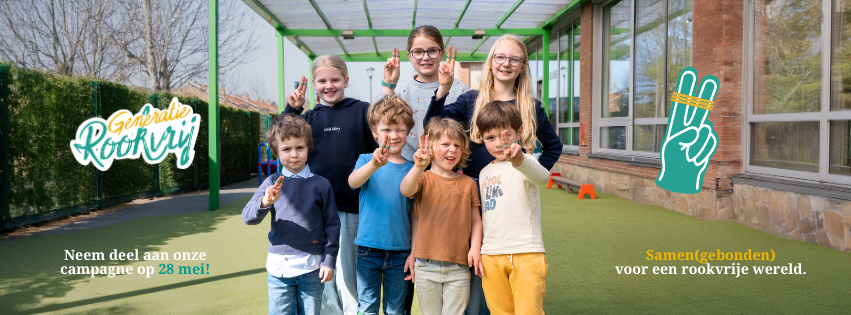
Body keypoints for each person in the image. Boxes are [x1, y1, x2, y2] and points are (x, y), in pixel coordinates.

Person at [422, 34, 563, 314]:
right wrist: (443, 89)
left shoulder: (531, 107)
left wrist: (526, 170)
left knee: (499, 258)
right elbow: (434, 126)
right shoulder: (471, 100)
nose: (506, 64)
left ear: (523, 66)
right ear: (490, 63)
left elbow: (553, 146)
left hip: (507, 197)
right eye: (500, 57)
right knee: (477, 262)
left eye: (514, 59)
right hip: (472, 192)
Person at [283, 54, 379, 315]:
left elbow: (379, 145)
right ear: (314, 84)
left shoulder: (362, 111)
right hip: (315, 212)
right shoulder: (308, 119)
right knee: (322, 275)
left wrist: (388, 85)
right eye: (322, 80)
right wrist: (292, 109)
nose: (329, 85)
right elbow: (280, 141)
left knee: (349, 274)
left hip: (352, 208)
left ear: (346, 80)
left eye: (335, 79)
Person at [242, 114, 341, 315]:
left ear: (308, 147)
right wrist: (265, 202)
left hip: (313, 269)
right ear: (276, 153)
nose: (294, 154)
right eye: (286, 149)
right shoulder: (271, 182)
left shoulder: (321, 184)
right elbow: (248, 217)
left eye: (299, 147)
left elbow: (332, 225)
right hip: (279, 270)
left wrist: (329, 260)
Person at [400, 117, 483, 315]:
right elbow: (405, 190)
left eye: (457, 145)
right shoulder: (422, 178)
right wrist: (419, 166)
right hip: (425, 266)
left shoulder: (469, 184)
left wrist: (475, 248)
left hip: (459, 267)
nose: (452, 149)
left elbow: (475, 221)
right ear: (429, 147)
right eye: (445, 144)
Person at [475, 100, 551, 314]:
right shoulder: (484, 173)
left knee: (529, 311)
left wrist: (519, 160)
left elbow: (542, 177)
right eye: (490, 138)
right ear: (482, 139)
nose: (499, 143)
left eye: (505, 135)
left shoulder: (526, 162)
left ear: (519, 132)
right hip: (492, 254)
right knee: (499, 311)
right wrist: (482, 251)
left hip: (526, 252)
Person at [347, 95, 416, 315]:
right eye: (387, 129)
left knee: (396, 309)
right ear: (375, 131)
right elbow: (353, 182)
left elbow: (416, 214)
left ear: (408, 132)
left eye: (400, 130)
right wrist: (375, 165)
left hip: (401, 252)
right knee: (367, 307)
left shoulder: (413, 168)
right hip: (369, 249)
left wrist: (414, 251)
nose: (393, 136)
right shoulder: (366, 160)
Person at [377, 25, 471, 164]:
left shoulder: (460, 89)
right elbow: (376, 119)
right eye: (418, 52)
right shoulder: (399, 89)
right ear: (409, 55)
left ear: (442, 53)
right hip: (407, 166)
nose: (425, 57)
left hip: (449, 168)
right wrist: (389, 83)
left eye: (432, 51)